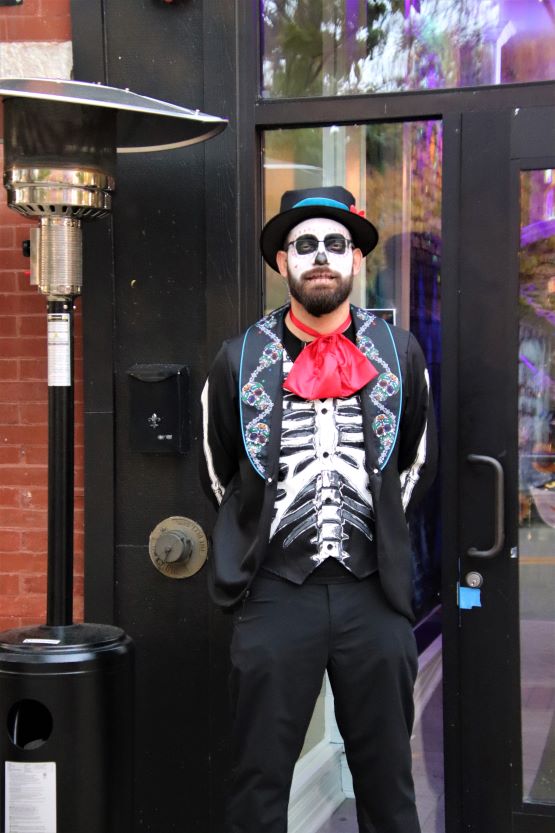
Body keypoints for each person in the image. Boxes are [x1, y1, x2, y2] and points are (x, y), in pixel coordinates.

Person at [200, 186, 437, 833]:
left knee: (388, 782)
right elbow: (219, 472)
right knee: (257, 780)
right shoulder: (238, 359)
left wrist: (379, 530)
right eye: (304, 245)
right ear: (283, 262)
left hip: (373, 594)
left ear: (356, 258)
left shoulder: (399, 353)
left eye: (337, 243)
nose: (322, 256)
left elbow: (416, 463)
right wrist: (260, 536)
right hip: (276, 593)